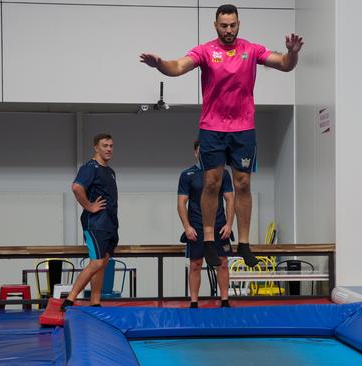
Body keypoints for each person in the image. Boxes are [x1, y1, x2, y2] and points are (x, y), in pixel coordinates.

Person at [140, 4, 303, 267]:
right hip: (212, 128)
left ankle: (246, 243)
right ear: (215, 25)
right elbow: (178, 67)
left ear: (239, 24)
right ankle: (207, 241)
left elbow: (285, 64)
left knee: (243, 185)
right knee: (213, 183)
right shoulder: (205, 51)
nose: (228, 30)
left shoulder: (252, 50)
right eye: (224, 25)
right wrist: (160, 65)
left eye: (233, 25)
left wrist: (292, 53)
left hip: (243, 128)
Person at [61, 134, 118, 311]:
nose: (109, 149)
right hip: (96, 224)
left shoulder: (109, 171)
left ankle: (95, 300)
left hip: (110, 224)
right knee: (97, 262)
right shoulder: (89, 168)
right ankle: (70, 299)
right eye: (105, 145)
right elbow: (76, 187)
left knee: (103, 263)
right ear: (96, 148)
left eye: (111, 146)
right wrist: (89, 206)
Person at [178, 140, 235, 308]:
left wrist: (229, 224)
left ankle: (225, 301)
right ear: (196, 153)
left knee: (223, 263)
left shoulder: (223, 174)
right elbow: (181, 203)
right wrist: (187, 227)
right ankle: (194, 302)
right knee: (195, 264)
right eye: (201, 151)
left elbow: (230, 199)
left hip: (219, 226)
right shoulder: (187, 175)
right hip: (196, 228)